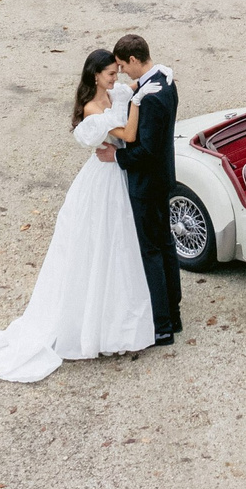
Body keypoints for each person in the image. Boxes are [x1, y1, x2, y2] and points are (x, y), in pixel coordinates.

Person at [0, 48, 155, 381]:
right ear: (95, 75)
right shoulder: (92, 108)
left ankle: (119, 324)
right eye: (111, 74)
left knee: (120, 249)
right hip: (103, 182)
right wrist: (135, 101)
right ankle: (96, 327)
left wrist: (127, 96)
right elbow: (127, 133)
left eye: (117, 73)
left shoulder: (111, 95)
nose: (116, 79)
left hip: (119, 175)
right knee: (102, 246)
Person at [109, 32, 182, 345]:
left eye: (124, 66)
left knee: (152, 251)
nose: (123, 72)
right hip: (163, 178)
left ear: (135, 60)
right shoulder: (165, 81)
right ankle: (174, 314)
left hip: (147, 185)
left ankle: (162, 325)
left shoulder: (150, 99)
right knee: (166, 246)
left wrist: (117, 155)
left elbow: (146, 151)